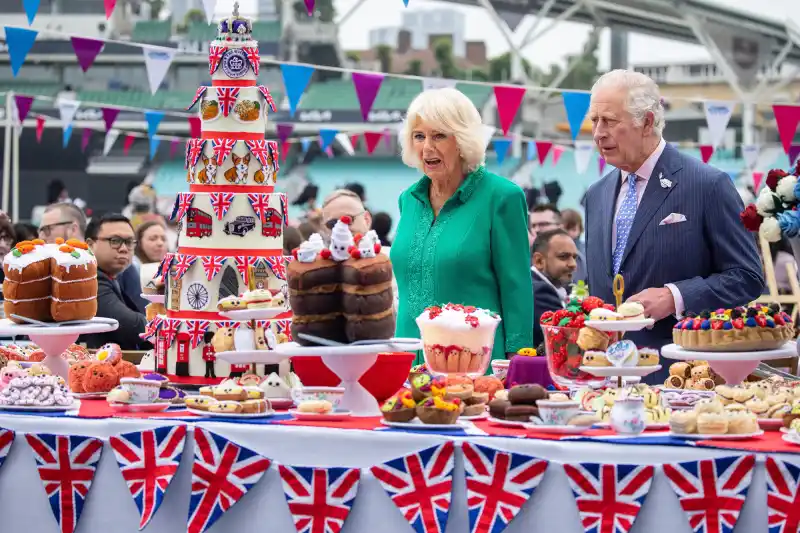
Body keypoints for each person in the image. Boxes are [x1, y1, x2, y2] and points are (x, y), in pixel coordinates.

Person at [584, 70, 763, 363]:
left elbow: (747, 277)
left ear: (647, 123)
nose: (599, 133)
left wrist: (675, 296)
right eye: (595, 120)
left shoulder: (707, 184)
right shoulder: (596, 194)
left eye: (610, 121)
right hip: (607, 375)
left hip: (681, 374)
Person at [392, 87, 533, 365]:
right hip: (408, 363)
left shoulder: (502, 197)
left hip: (475, 364)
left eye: (439, 135)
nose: (427, 147)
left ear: (462, 140)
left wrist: (519, 362)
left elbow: (516, 286)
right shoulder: (408, 200)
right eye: (419, 136)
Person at [80, 213, 150, 350]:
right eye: (115, 241)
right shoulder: (89, 278)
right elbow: (132, 325)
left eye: (129, 242)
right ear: (89, 245)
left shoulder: (109, 276)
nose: (124, 249)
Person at [321, 189, 398, 310]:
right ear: (325, 229)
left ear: (367, 219)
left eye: (348, 219)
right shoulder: (318, 271)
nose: (342, 228)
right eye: (332, 224)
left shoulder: (394, 260)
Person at [531, 229, 577, 346]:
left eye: (574, 257)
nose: (573, 264)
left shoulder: (534, 283)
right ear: (539, 261)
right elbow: (567, 339)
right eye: (563, 257)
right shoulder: (540, 291)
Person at [133, 220, 168, 289]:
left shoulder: (172, 268)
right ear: (139, 243)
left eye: (163, 239)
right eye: (153, 239)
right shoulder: (132, 267)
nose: (160, 243)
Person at [561, 208, 587, 283]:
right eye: (565, 229)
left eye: (573, 229)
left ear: (580, 230)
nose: (568, 233)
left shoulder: (586, 251)